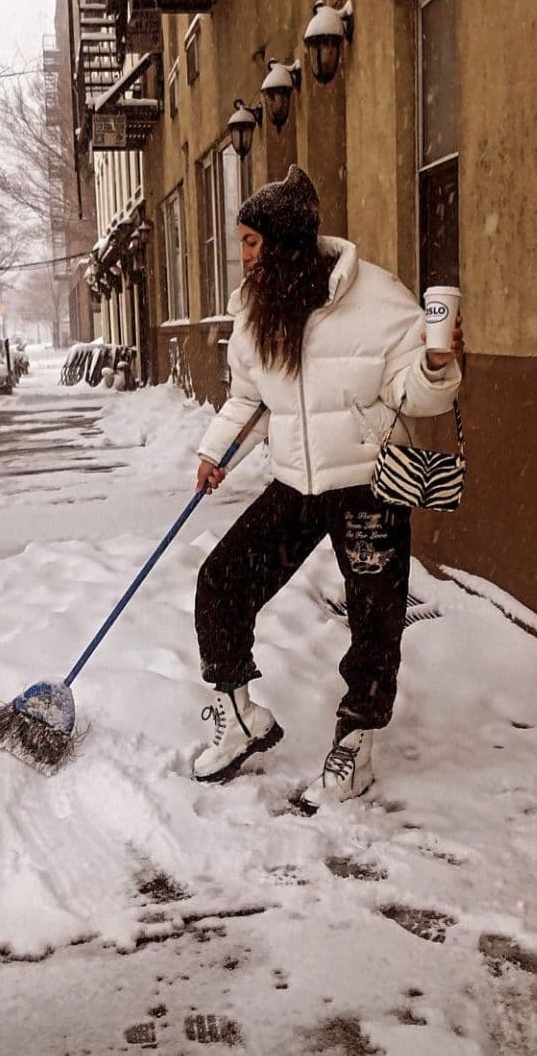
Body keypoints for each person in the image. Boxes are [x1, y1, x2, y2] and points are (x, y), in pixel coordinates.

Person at [192, 165, 463, 813]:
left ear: (284, 243)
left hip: (368, 482)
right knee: (221, 580)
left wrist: (434, 364)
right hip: (295, 479)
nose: (243, 255)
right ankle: (239, 714)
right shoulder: (257, 305)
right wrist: (214, 452)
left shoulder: (375, 297)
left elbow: (412, 395)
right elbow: (250, 397)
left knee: (373, 621)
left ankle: (356, 742)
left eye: (251, 242)